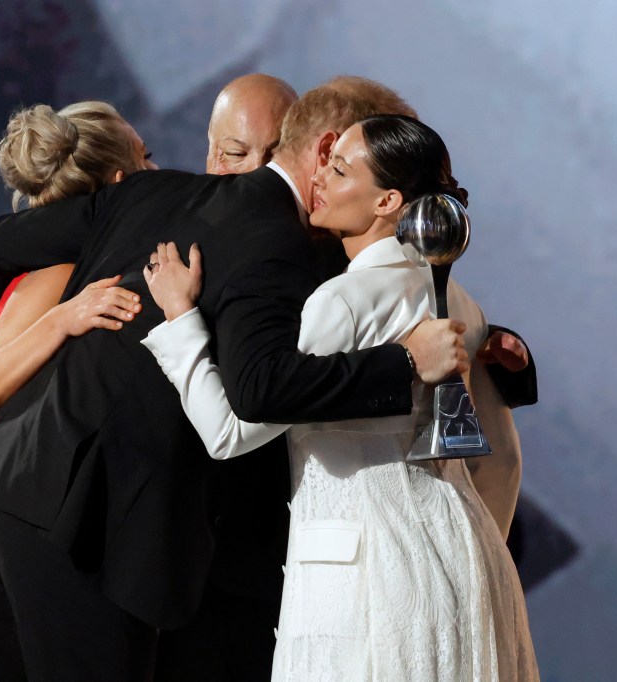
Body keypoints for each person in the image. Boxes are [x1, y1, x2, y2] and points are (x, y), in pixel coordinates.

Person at [0, 73, 478, 680]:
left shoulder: (153, 193)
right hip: (88, 523)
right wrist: (405, 362)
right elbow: (260, 391)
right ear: (327, 150)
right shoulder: (287, 248)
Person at [141, 114, 538, 680]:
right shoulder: (467, 306)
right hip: (466, 559)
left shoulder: (343, 301)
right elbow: (500, 452)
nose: (320, 178)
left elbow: (229, 433)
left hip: (368, 578)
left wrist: (181, 318)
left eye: (340, 169)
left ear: (386, 201)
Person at [0, 100, 154, 682]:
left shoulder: (68, 260)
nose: (158, 174)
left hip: (0, 524)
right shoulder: (60, 271)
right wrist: (66, 318)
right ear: (119, 180)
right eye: (148, 157)